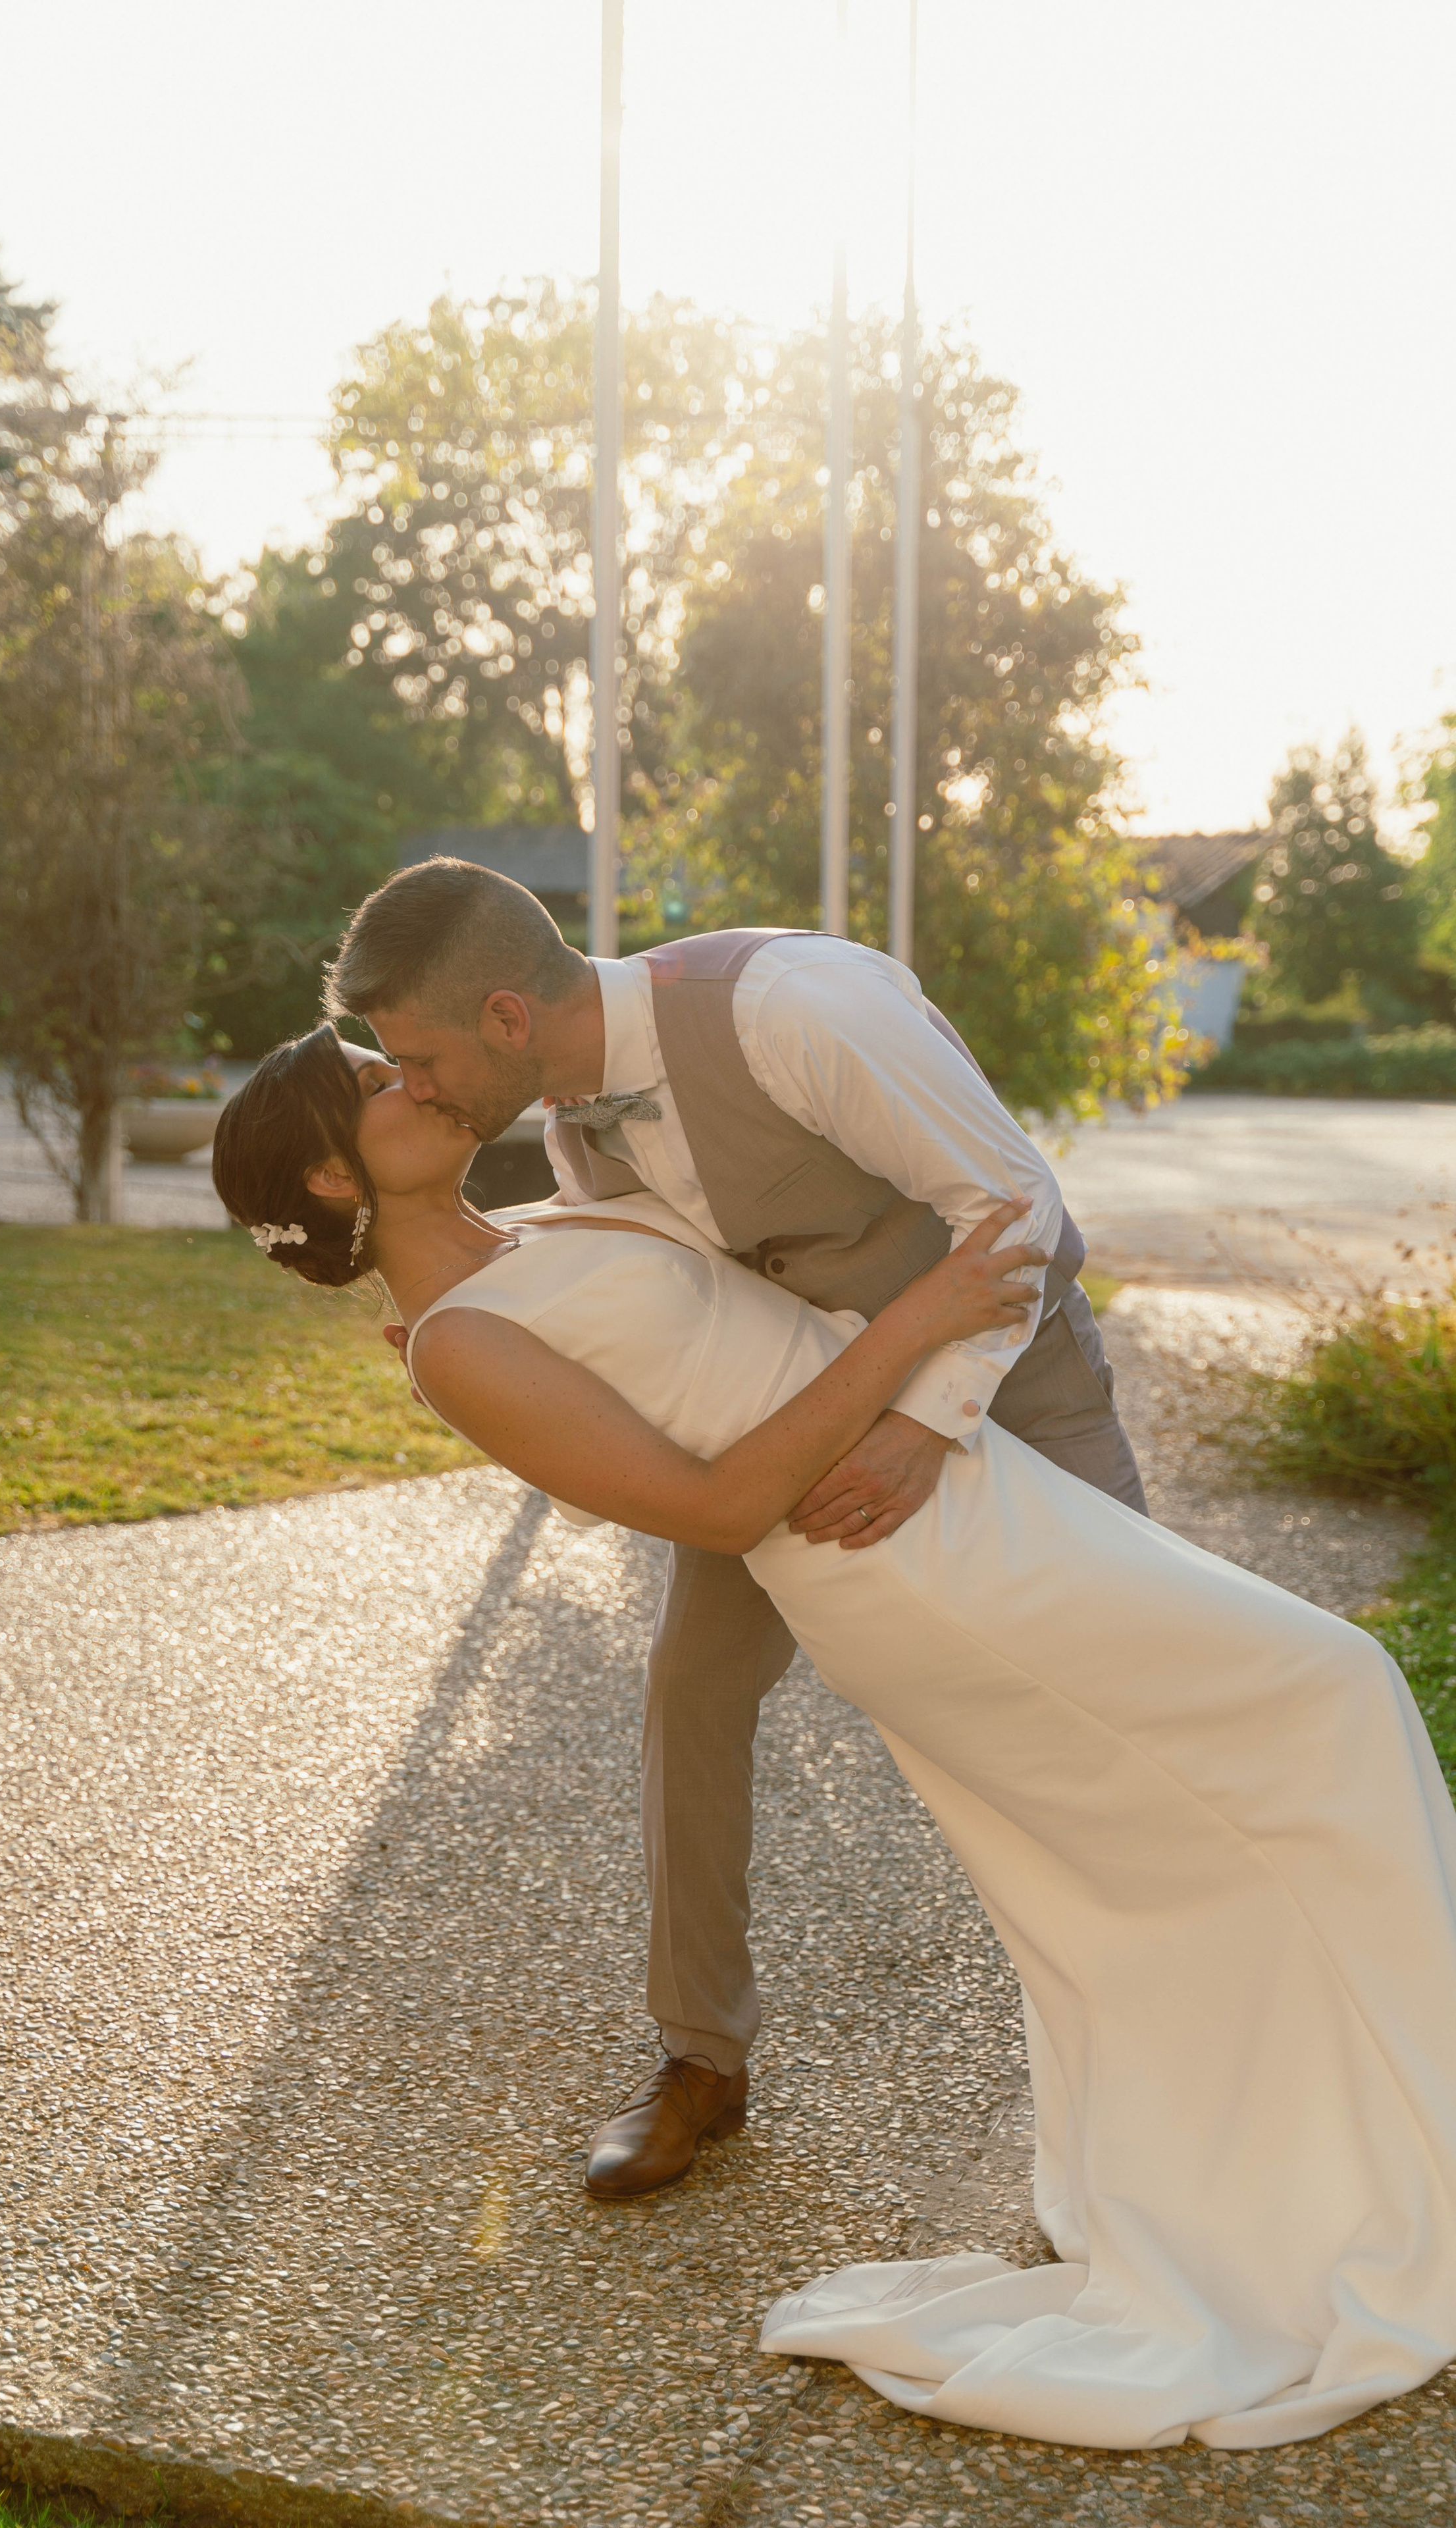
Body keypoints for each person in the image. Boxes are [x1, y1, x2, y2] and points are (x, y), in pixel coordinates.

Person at [211, 1020, 1456, 2450]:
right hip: (905, 1569)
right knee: (1324, 1690)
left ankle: (1335, 2161)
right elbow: (717, 1508)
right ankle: (1333, 2186)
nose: (416, 1077)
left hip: (967, 1489)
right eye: (377, 1083)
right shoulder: (456, 1345)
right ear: (329, 1175)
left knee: (1195, 1823)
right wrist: (919, 1325)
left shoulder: (545, 1217)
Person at [325, 858, 1145, 2198]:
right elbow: (645, 1273)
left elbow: (1017, 1212)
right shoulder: (578, 1128)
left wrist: (923, 1422)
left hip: (1010, 1377)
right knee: (690, 1687)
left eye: (417, 1059)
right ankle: (701, 2057)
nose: (413, 1087)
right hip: (798, 1420)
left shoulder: (792, 1010)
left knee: (1114, 1700)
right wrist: (450, 1317)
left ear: (505, 1018)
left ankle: (1145, 2051)